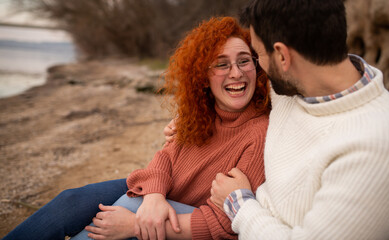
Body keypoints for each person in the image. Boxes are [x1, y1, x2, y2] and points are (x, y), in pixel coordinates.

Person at [3, 17, 270, 240]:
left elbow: (225, 224)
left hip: (190, 223)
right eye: (222, 64)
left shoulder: (258, 133)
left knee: (125, 209)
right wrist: (154, 195)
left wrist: (134, 225)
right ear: (203, 75)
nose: (236, 72)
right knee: (70, 200)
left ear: (257, 68)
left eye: (244, 61)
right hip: (163, 189)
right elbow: (165, 157)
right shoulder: (204, 112)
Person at [205, 1, 389, 239]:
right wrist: (200, 117)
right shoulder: (295, 86)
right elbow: (236, 90)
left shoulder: (379, 146)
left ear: (282, 56)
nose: (259, 66)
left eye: (258, 54)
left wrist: (238, 203)